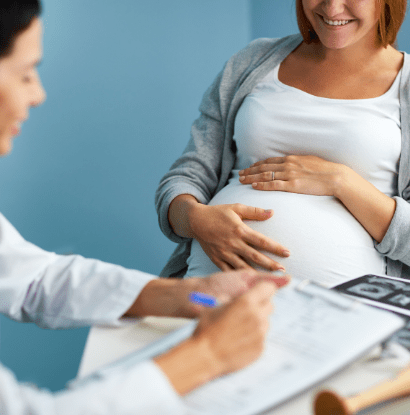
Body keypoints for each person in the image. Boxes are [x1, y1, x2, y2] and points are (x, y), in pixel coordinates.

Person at [0, 1, 291, 414]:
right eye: (25, 72)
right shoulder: (252, 64)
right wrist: (207, 355)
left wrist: (183, 295)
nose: (38, 94)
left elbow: (33, 280)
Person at [156, 0, 410, 287]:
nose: (332, 7)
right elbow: (187, 176)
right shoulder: (253, 60)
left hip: (344, 320)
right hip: (207, 302)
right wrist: (195, 219)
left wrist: (342, 181)